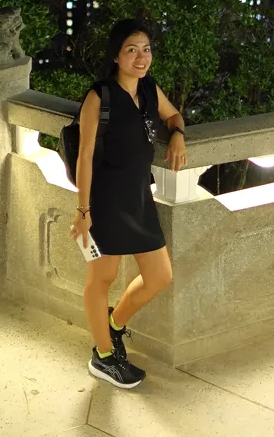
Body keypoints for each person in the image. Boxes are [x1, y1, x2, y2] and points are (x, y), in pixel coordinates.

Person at [69, 19, 187, 389]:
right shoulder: (99, 96)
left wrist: (178, 136)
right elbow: (85, 156)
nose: (141, 57)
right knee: (100, 278)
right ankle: (103, 357)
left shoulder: (149, 89)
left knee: (159, 276)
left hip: (138, 197)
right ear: (117, 56)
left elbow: (172, 115)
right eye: (132, 50)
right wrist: (83, 212)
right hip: (105, 201)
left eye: (146, 49)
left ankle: (115, 325)